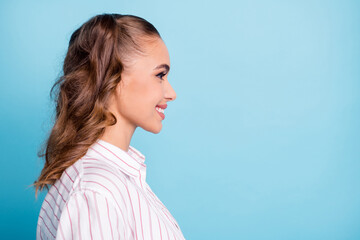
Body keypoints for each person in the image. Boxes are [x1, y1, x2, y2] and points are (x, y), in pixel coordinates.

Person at [33, 13, 185, 240]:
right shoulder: (96, 191)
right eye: (160, 75)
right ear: (112, 77)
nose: (171, 93)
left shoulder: (113, 179)